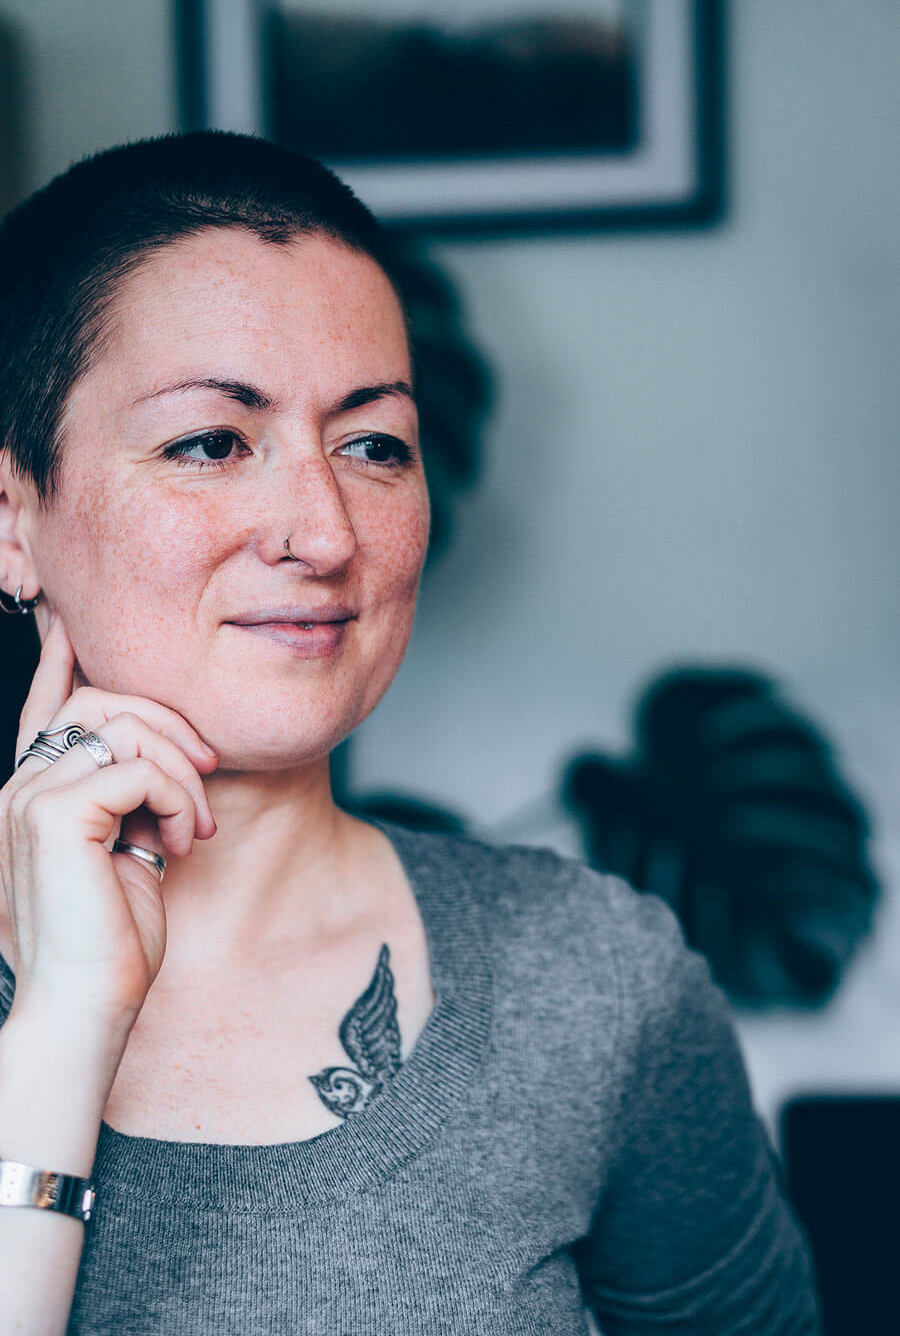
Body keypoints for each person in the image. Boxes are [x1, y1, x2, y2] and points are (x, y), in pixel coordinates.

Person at [0, 131, 820, 1335]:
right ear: (16, 520)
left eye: (373, 443)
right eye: (212, 441)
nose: (324, 531)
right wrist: (66, 1016)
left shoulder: (593, 980)